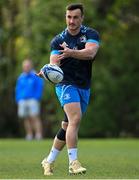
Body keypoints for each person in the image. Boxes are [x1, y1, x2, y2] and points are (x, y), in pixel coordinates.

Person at [39, 3, 100, 175]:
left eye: (75, 17)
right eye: (68, 17)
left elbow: (90, 53)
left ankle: (48, 161)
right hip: (65, 84)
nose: (71, 21)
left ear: (82, 18)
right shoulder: (58, 40)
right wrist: (47, 71)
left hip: (84, 85)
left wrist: (71, 52)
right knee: (75, 119)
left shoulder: (90, 34)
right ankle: (73, 163)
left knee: (67, 126)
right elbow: (54, 62)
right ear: (65, 17)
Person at [15, 59, 44, 140]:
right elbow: (18, 89)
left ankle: (38, 135)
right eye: (24, 66)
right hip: (23, 100)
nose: (26, 67)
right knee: (26, 118)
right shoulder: (21, 77)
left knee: (35, 117)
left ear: (31, 66)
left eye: (27, 66)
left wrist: (37, 97)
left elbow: (39, 87)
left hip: (33, 99)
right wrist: (18, 98)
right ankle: (29, 135)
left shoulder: (35, 75)